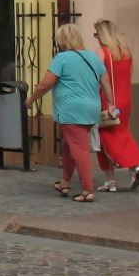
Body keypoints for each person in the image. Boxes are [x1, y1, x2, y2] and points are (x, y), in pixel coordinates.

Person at [27, 23, 116, 201]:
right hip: (92, 110)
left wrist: (31, 99)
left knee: (79, 149)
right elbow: (106, 83)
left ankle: (87, 191)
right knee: (68, 146)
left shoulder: (63, 58)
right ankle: (65, 182)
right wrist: (111, 104)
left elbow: (46, 84)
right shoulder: (93, 57)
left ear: (62, 39)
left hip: (71, 112)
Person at [93, 18, 139, 192]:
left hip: (108, 101)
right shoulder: (126, 52)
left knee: (106, 136)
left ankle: (130, 166)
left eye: (96, 34)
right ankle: (114, 178)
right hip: (125, 101)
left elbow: (96, 78)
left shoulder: (102, 52)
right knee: (121, 133)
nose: (95, 37)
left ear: (103, 34)